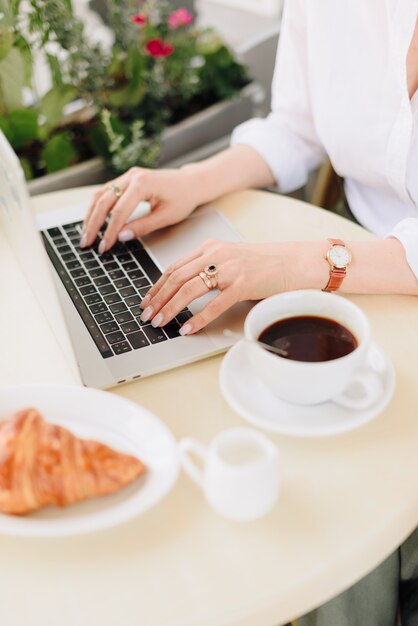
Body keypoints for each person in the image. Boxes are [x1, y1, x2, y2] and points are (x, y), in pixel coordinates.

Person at [82, 2, 418, 624]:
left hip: (363, 266)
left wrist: (301, 263)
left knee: (342, 478)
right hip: (358, 265)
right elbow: (297, 127)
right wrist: (191, 180)